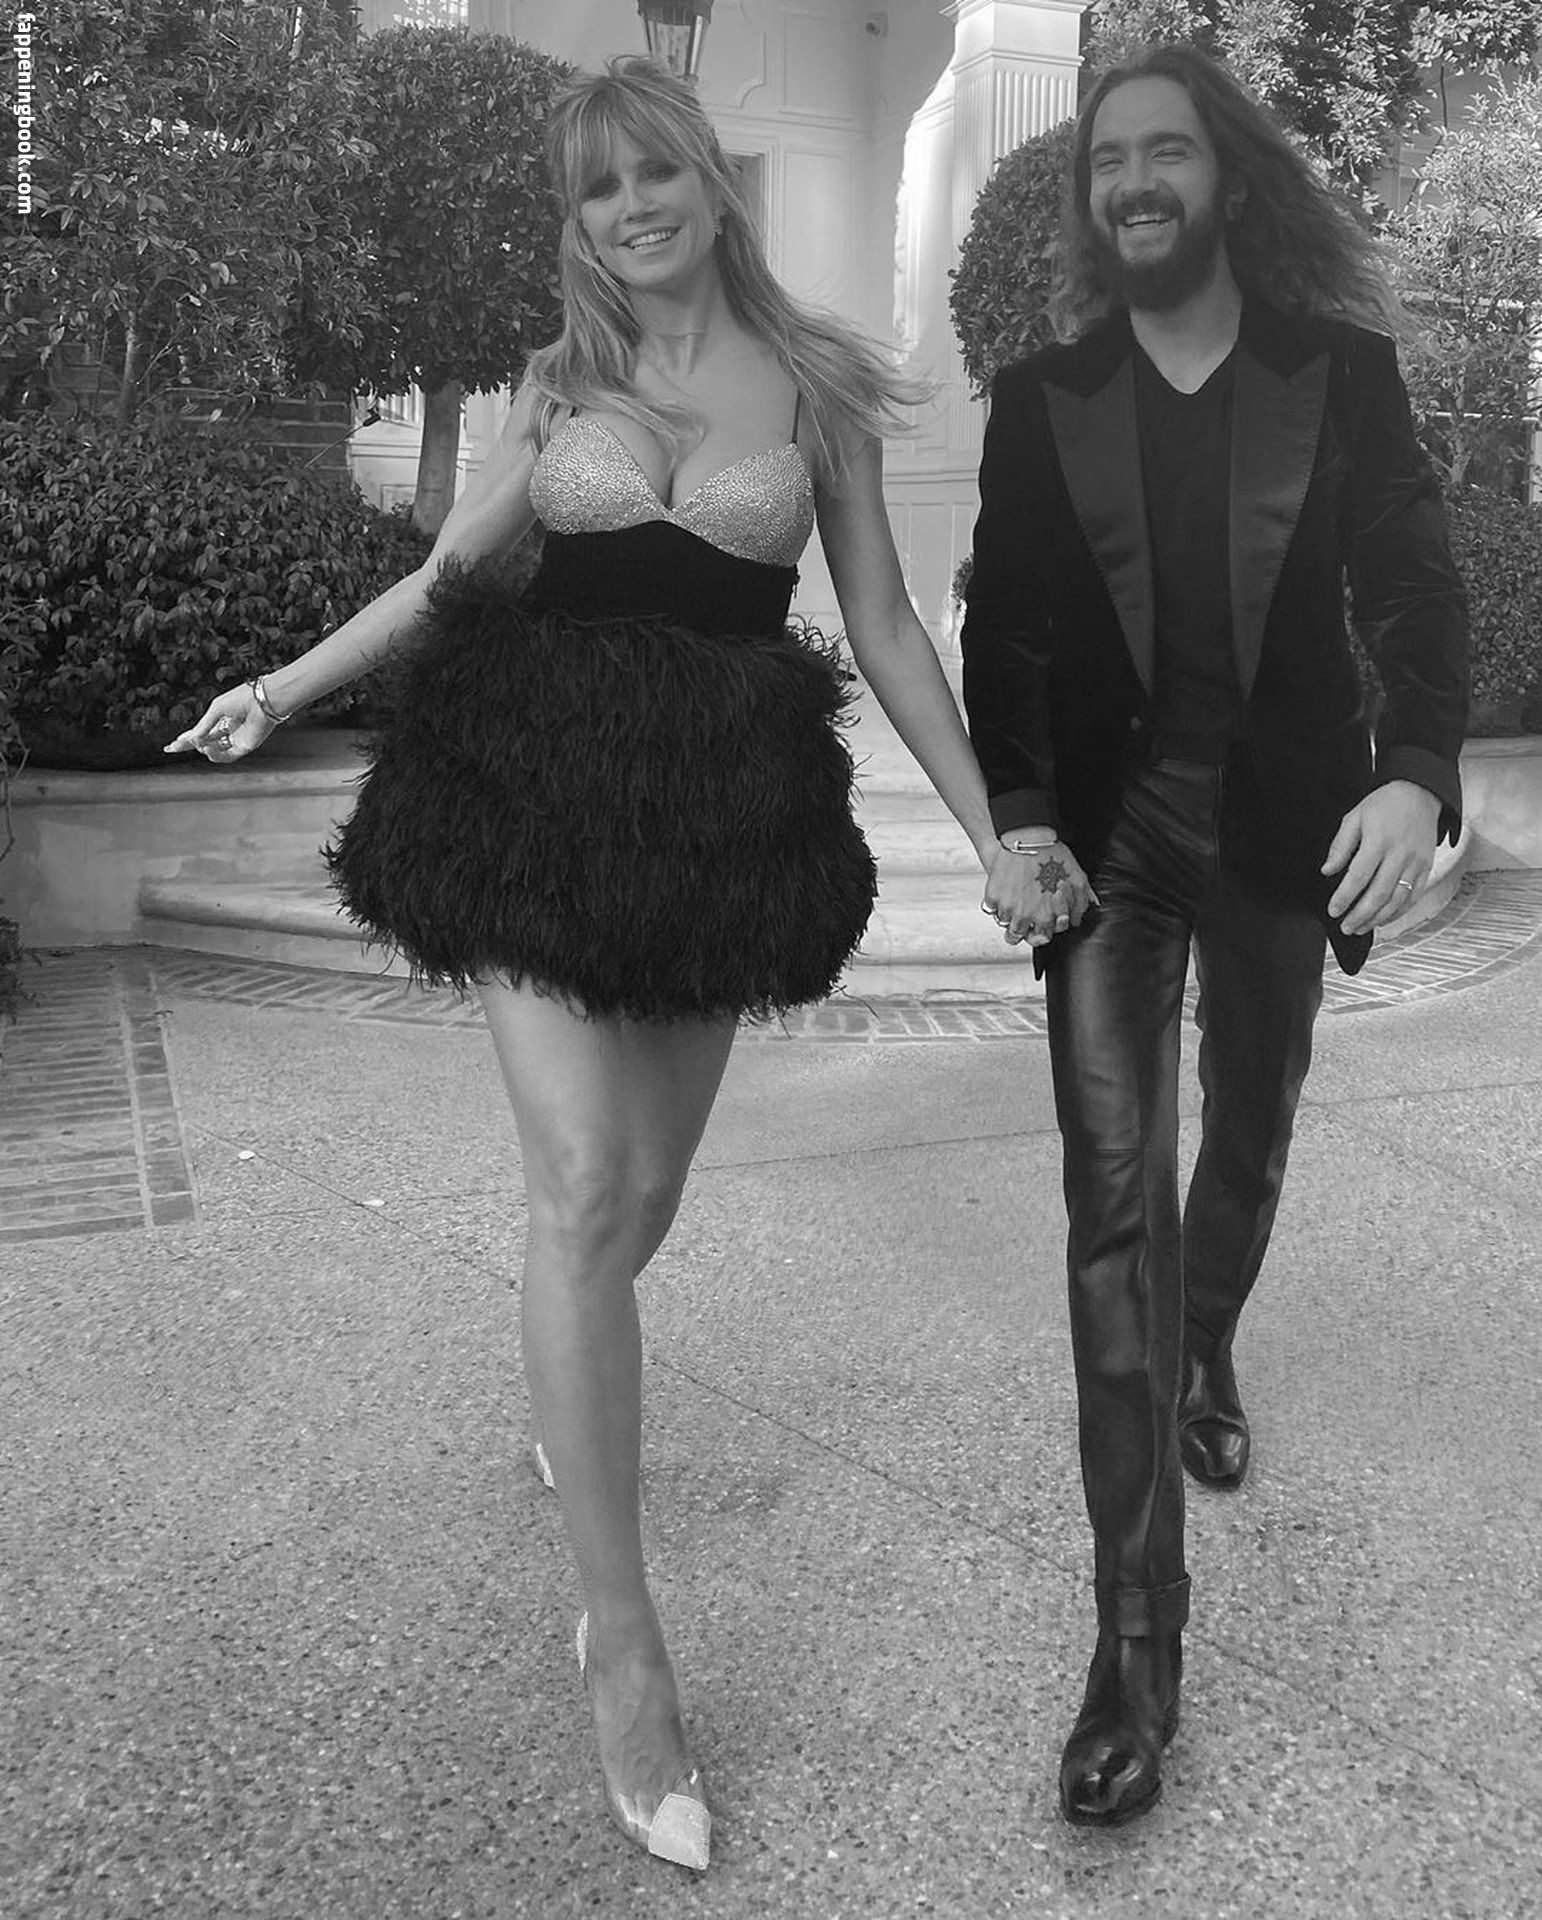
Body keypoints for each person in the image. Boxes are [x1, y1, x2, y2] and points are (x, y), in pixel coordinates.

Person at [169, 56, 1011, 1874]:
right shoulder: (562, 383)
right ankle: (623, 1644)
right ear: (574, 223)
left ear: (707, 180)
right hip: (527, 791)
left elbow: (881, 626)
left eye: (652, 175)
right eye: (594, 190)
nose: (629, 209)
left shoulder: (816, 387)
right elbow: (448, 583)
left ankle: (574, 1388)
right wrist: (279, 690)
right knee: (575, 1179)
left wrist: (993, 829)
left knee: (638, 1196)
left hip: (717, 819)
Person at [962, 44, 1467, 1827]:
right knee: (1111, 1201)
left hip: (1276, 824)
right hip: (1110, 844)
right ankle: (1132, 1648)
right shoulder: (1045, 396)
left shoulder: (1340, 372)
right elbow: (1008, 625)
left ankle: (1208, 1335)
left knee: (1248, 1118)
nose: (1134, 182)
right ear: (1090, 195)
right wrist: (1020, 813)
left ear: (1224, 178)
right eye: (1109, 159)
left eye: (1164, 151)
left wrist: (1413, 773)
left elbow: (1410, 582)